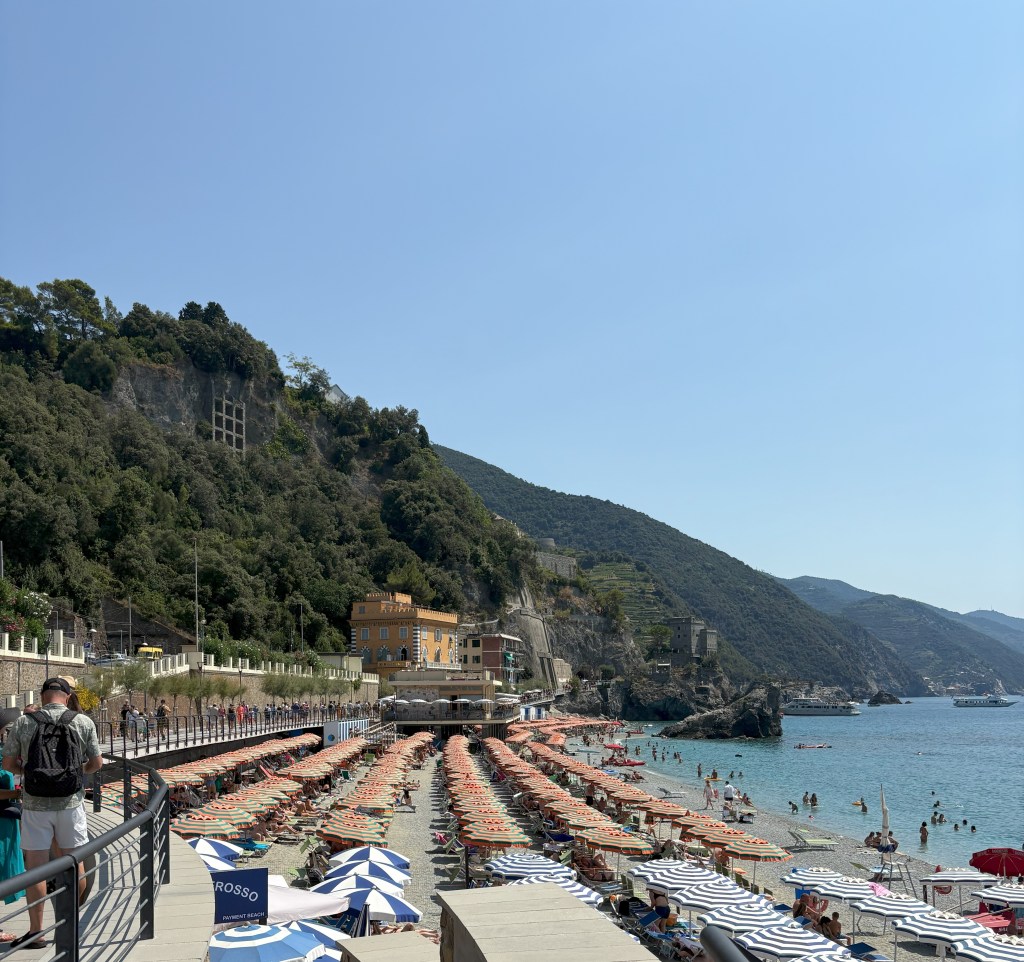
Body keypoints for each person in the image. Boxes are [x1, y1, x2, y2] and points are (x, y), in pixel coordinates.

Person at [1, 678, 102, 950]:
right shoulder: (83, 722)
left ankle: (36, 933)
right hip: (70, 804)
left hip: (35, 805)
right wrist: (75, 773)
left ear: (44, 696)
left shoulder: (24, 722)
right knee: (74, 862)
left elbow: (9, 765)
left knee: (36, 869)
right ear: (67, 697)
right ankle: (70, 923)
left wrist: (30, 772)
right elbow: (96, 763)